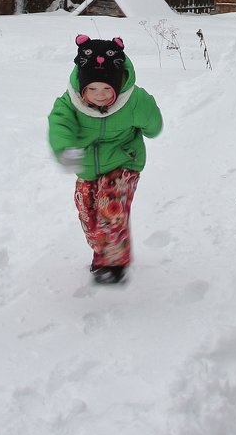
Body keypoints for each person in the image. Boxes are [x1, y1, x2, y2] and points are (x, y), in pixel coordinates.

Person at [48, 35, 163, 285]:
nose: (99, 96)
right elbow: (59, 123)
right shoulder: (70, 103)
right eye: (92, 89)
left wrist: (152, 129)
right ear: (82, 87)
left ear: (117, 87)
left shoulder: (133, 101)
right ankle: (102, 248)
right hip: (88, 167)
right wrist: (66, 148)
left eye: (106, 90)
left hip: (124, 162)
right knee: (89, 215)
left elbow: (152, 120)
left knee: (110, 209)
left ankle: (112, 265)